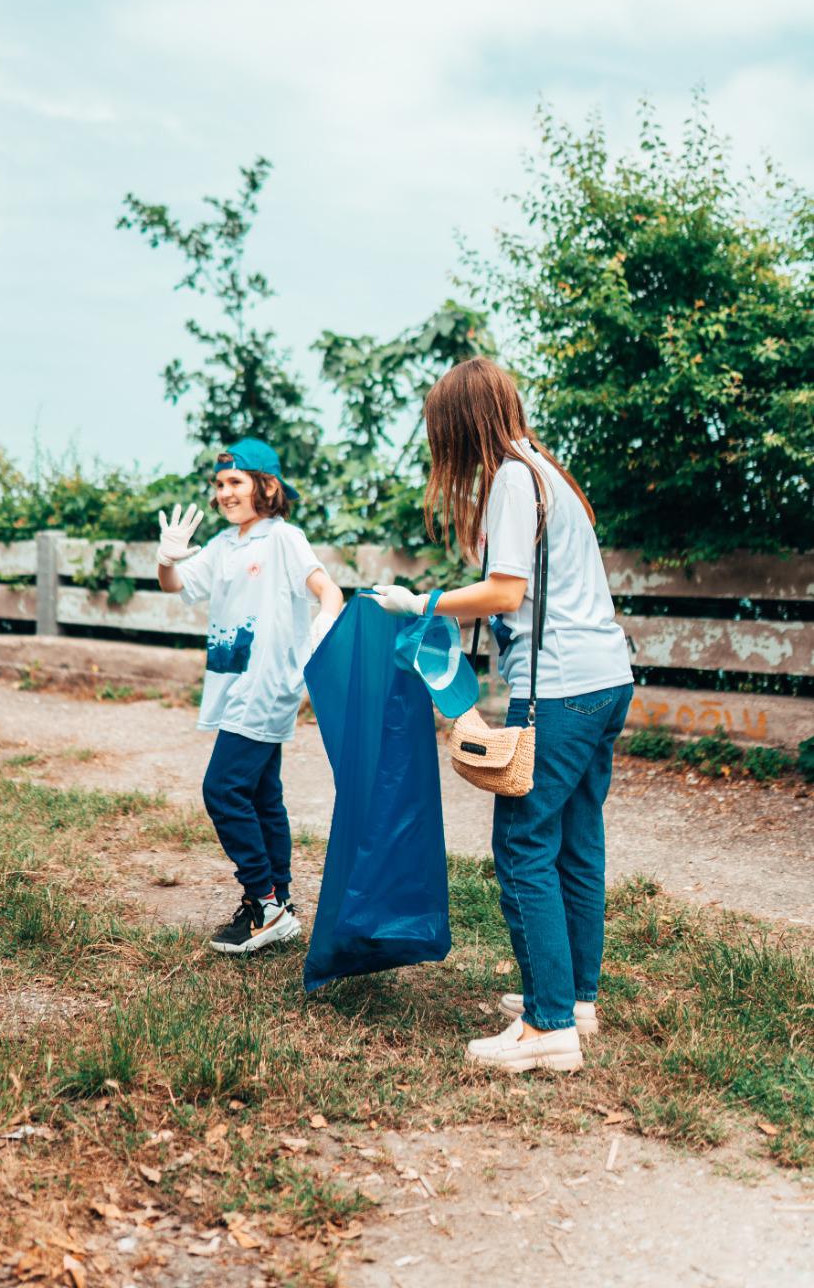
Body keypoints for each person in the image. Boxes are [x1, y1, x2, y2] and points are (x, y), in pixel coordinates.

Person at [370, 358, 633, 1073]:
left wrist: (419, 603)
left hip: (558, 690)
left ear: (458, 426)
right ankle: (573, 998)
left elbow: (504, 593)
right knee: (575, 840)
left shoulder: (513, 480)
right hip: (606, 680)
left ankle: (548, 1028)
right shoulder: (546, 470)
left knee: (521, 846)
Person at [156, 437, 344, 955]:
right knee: (262, 795)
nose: (224, 493)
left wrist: (321, 631)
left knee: (223, 789)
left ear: (266, 485)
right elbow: (175, 585)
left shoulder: (283, 539)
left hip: (266, 685)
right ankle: (278, 901)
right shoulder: (223, 546)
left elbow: (329, 590)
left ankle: (262, 903)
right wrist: (166, 560)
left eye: (235, 482)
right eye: (219, 485)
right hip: (233, 681)